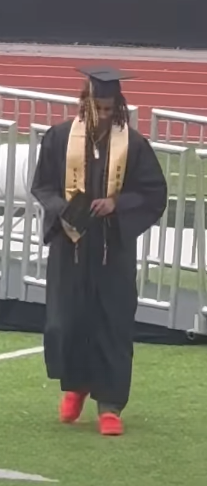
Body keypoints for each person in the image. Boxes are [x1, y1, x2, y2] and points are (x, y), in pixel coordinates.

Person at [30, 66, 168, 436]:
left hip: (111, 249)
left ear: (118, 107)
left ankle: (110, 405)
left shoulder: (134, 145)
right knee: (66, 321)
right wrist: (63, 208)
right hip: (70, 245)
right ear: (84, 103)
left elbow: (154, 193)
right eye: (97, 108)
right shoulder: (58, 139)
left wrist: (117, 205)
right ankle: (76, 386)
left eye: (108, 109)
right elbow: (42, 186)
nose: (103, 115)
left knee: (112, 323)